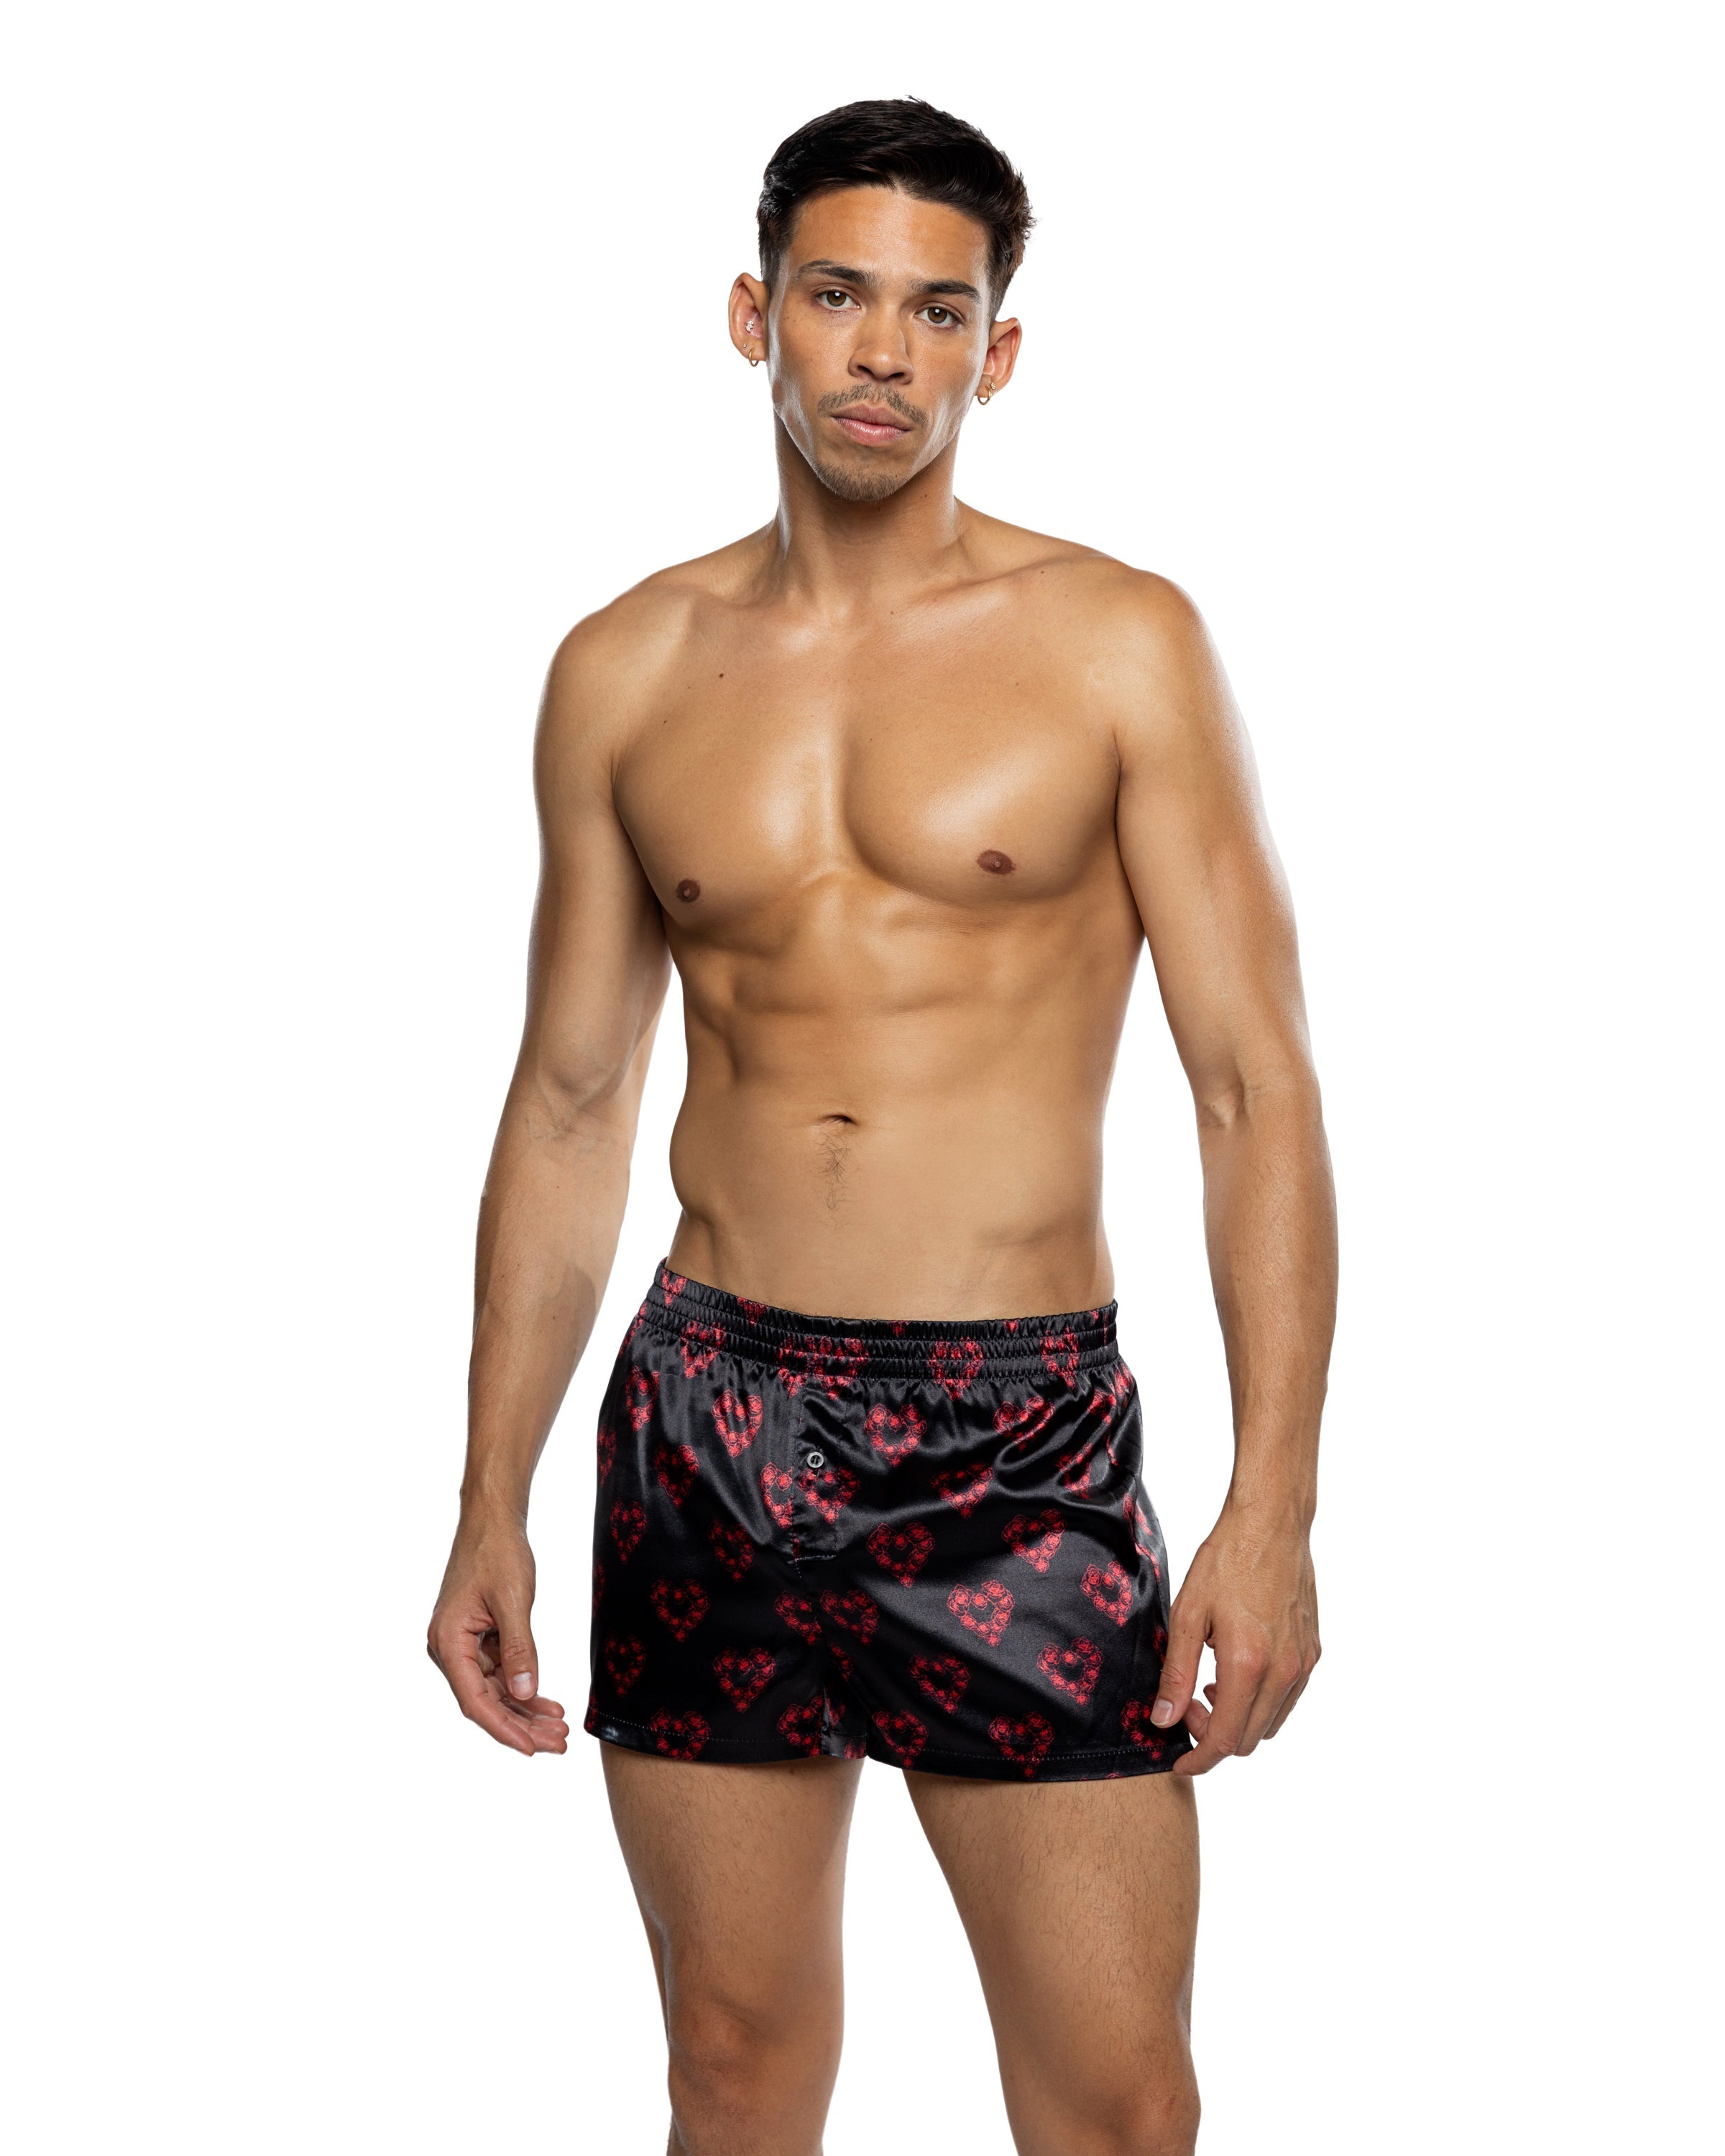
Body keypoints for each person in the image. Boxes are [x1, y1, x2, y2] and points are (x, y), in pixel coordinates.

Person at [428, 96, 1336, 2156]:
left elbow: (1253, 1087)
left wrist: (1272, 1505)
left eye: (940, 312)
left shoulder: (1119, 647)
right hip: (709, 1415)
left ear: (996, 353)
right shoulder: (625, 670)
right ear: (756, 315)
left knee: (1118, 2106)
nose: (886, 354)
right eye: (841, 295)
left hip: (1017, 1439)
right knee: (734, 2074)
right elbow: (570, 1098)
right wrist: (489, 1489)